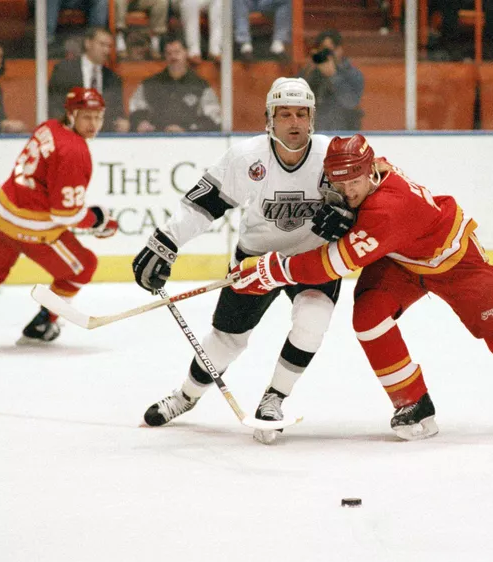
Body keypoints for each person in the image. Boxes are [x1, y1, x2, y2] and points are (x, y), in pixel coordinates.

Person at [230, 135, 493, 440]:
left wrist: (270, 270)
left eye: (353, 181)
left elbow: (334, 263)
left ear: (370, 172)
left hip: (458, 262)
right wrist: (348, 210)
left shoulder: (389, 210)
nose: (345, 190)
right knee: (369, 316)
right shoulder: (369, 170)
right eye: (338, 183)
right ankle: (413, 404)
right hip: (402, 260)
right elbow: (355, 203)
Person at [131, 77, 340, 444]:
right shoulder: (247, 158)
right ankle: (186, 396)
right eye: (285, 114)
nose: (294, 123)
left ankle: (274, 400)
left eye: (301, 115)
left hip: (313, 260)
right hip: (256, 261)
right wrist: (165, 241)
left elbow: (370, 199)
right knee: (227, 341)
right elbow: (202, 206)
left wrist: (351, 218)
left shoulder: (334, 156)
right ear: (269, 119)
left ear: (313, 119)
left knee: (313, 321)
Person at [0, 88, 118, 343]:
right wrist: (97, 220)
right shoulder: (74, 150)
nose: (94, 124)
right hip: (32, 230)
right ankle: (42, 326)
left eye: (98, 117)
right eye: (87, 117)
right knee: (83, 266)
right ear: (72, 114)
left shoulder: (48, 127)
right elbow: (65, 214)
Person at [128, 34, 221, 133]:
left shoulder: (200, 85)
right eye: (169, 53)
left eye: (177, 52)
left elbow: (214, 119)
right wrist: (141, 123)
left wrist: (187, 131)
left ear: (186, 53)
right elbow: (135, 110)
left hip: (189, 141)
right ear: (164, 56)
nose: (173, 57)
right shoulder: (150, 84)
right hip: (156, 139)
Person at [49, 27, 130, 133]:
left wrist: (123, 122)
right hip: (70, 135)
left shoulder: (113, 78)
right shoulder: (65, 70)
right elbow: (53, 104)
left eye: (109, 46)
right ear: (88, 43)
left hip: (104, 137)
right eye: (102, 44)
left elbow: (117, 111)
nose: (106, 50)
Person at [299, 29, 364, 130]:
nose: (326, 55)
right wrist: (309, 69)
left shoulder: (352, 74)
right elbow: (296, 97)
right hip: (316, 131)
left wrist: (333, 76)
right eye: (322, 50)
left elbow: (350, 102)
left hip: (343, 133)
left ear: (339, 49)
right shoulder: (312, 71)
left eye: (328, 50)